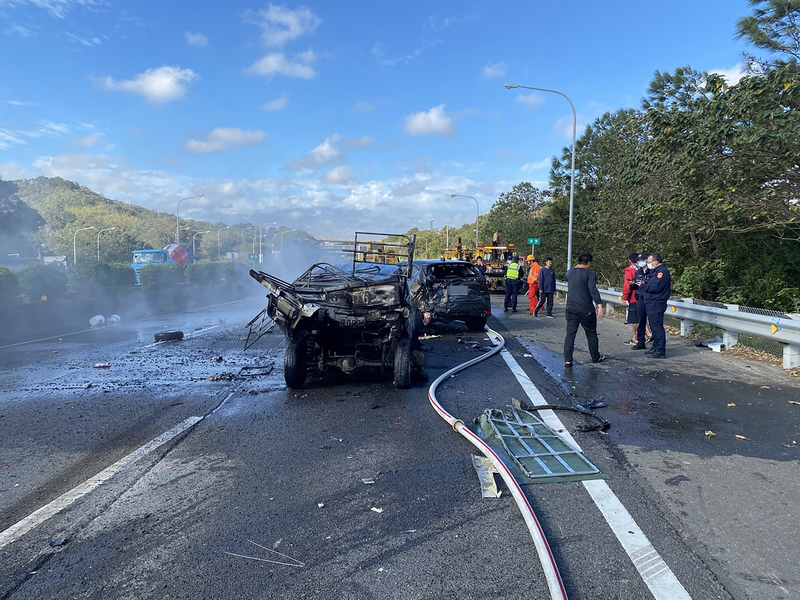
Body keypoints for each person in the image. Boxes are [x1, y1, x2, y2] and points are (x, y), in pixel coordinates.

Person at [563, 252, 606, 366]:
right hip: (586, 309)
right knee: (591, 334)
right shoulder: (590, 274)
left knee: (570, 334)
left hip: (571, 308)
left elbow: (568, 280)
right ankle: (595, 357)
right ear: (589, 263)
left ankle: (568, 359)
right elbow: (593, 290)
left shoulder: (570, 272)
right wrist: (600, 305)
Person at [637, 253, 671, 358]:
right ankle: (655, 347)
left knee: (657, 327)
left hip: (656, 302)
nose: (648, 264)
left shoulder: (662, 272)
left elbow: (655, 287)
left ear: (655, 262)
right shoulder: (655, 272)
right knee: (653, 326)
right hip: (650, 302)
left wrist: (643, 285)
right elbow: (649, 282)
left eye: (649, 262)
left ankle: (660, 350)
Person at [622, 253, 642, 344]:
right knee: (641, 317)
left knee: (635, 319)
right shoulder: (643, 268)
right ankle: (649, 334)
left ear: (630, 261)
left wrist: (624, 297)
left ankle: (635, 338)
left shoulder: (630, 270)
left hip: (634, 296)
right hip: (643, 296)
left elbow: (627, 286)